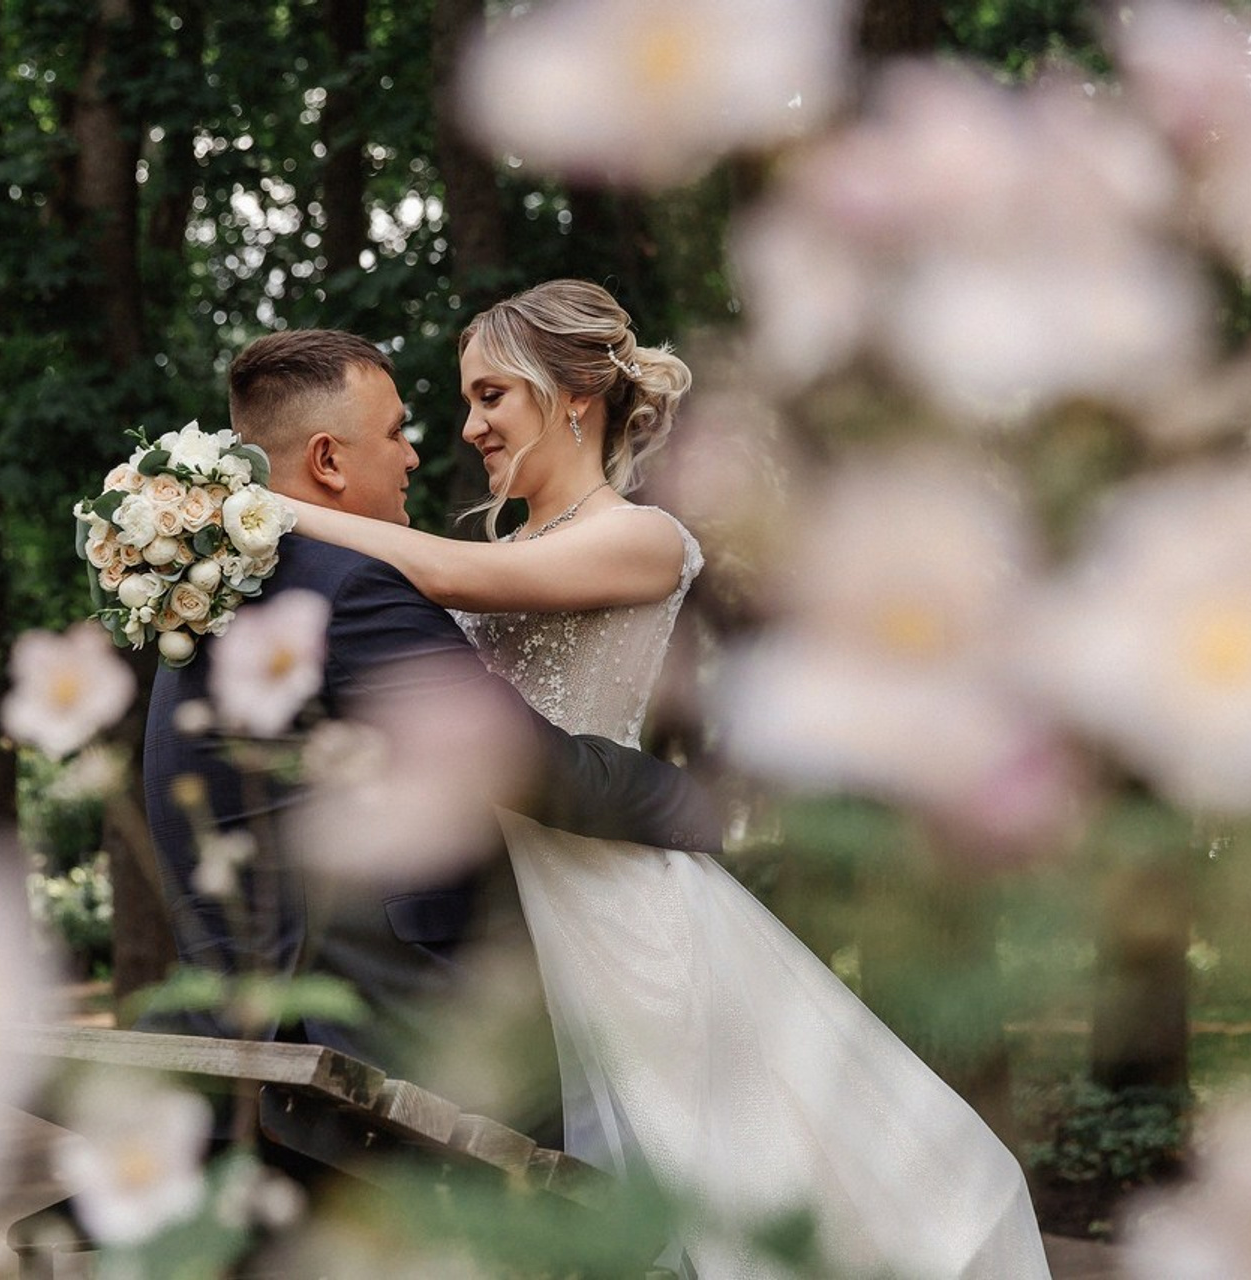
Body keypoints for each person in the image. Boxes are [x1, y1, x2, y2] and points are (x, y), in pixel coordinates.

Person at [284, 280, 1054, 1279]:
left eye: (489, 396)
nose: (468, 425)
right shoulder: (503, 543)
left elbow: (448, 577)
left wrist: (266, 510)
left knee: (707, 1184)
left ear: (571, 396)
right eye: (466, 400)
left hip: (608, 893)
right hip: (509, 891)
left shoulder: (641, 536)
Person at [141, 328, 723, 1143]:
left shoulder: (211, 597)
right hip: (386, 1048)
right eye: (394, 433)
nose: (418, 456)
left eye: (489, 397)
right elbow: (524, 764)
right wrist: (695, 805)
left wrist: (257, 505)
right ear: (328, 461)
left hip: (275, 1043)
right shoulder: (348, 589)